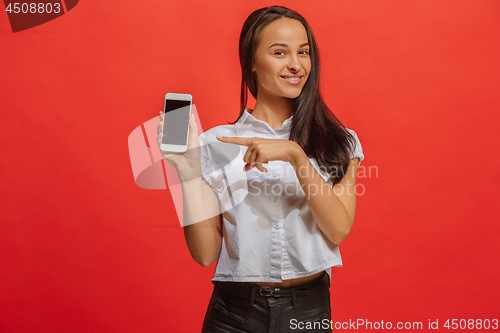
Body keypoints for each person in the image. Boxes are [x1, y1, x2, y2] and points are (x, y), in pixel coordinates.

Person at [157, 5, 365, 333]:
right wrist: (187, 172)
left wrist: (296, 156)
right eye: (280, 52)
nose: (295, 64)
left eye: (304, 52)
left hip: (307, 312)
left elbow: (338, 229)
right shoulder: (215, 144)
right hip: (233, 314)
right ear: (251, 61)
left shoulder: (339, 141)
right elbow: (204, 254)